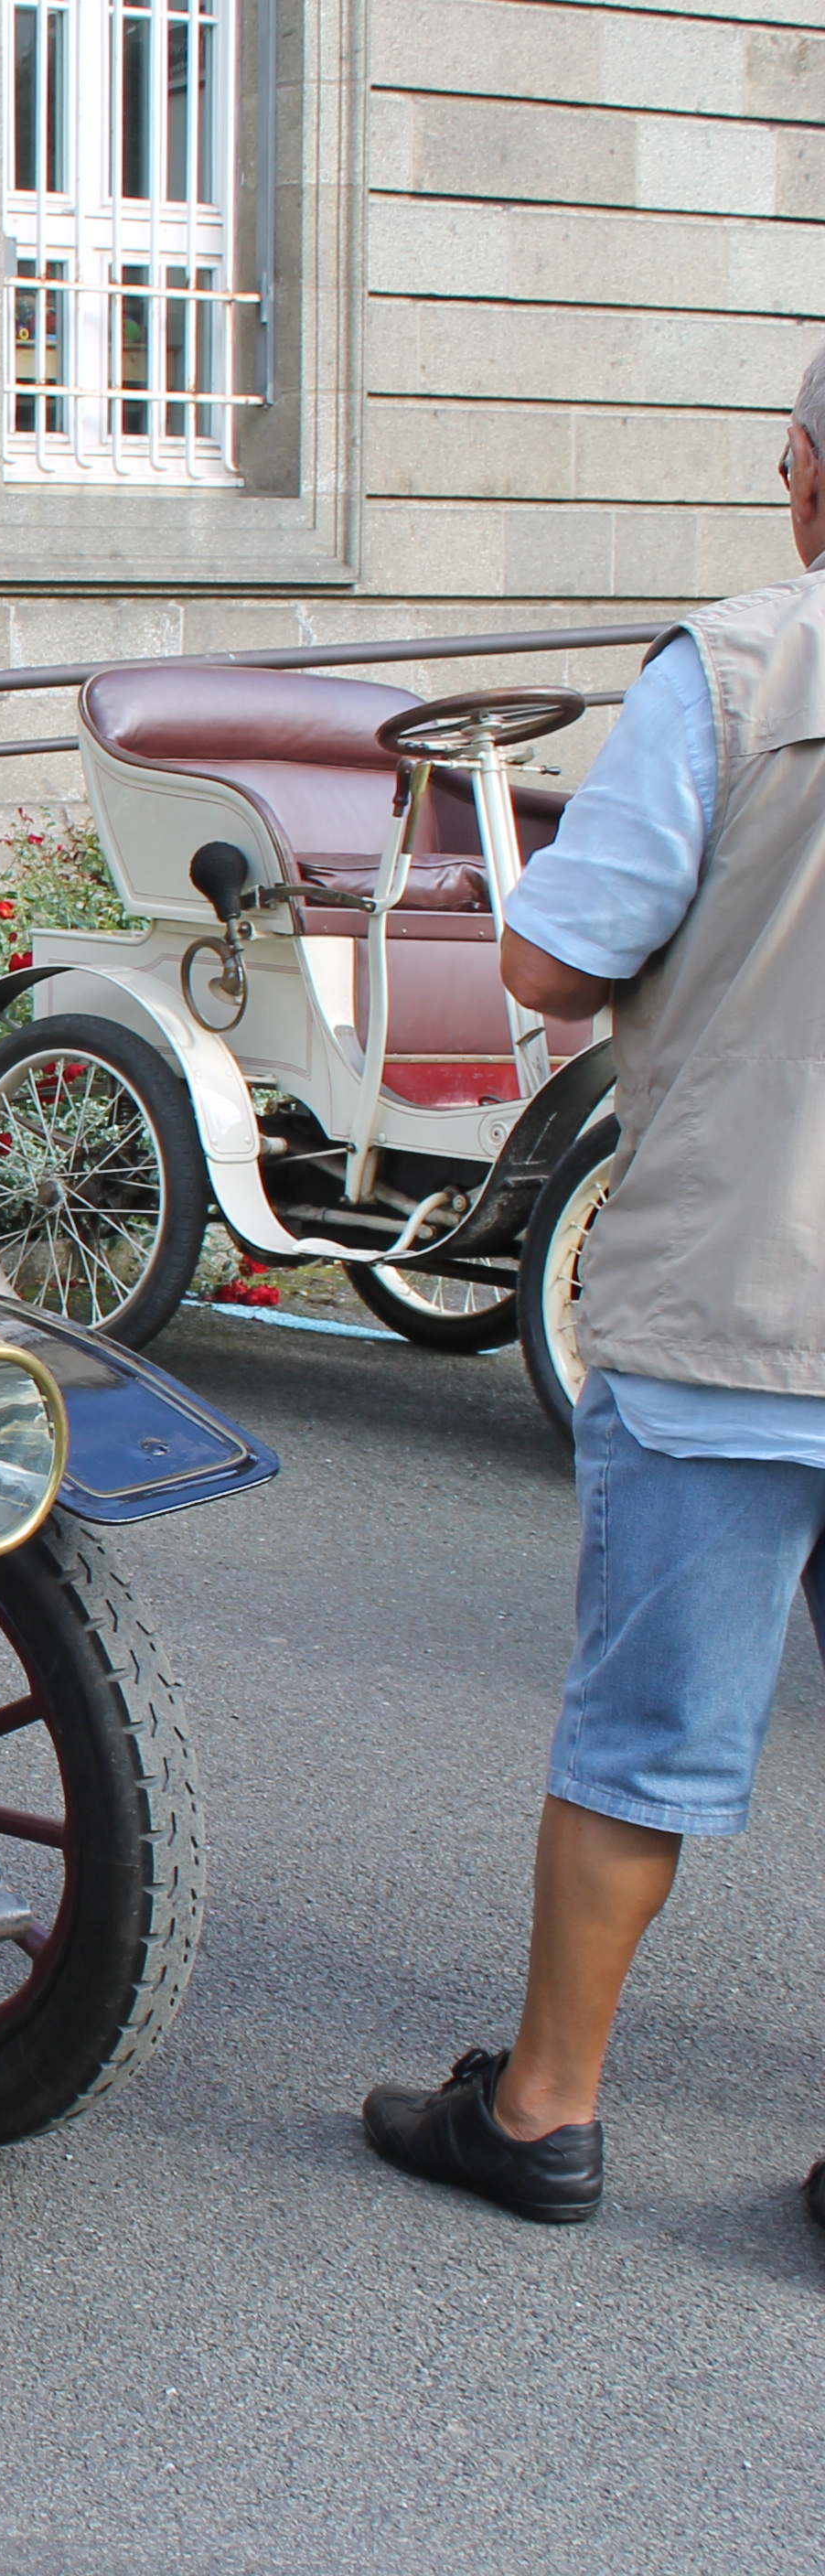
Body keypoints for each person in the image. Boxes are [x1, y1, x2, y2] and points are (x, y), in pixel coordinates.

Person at [362, 341, 825, 2229]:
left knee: (646, 1732)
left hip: (739, 1287)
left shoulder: (733, 670)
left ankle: (544, 2109)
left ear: (804, 471)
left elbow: (556, 967)